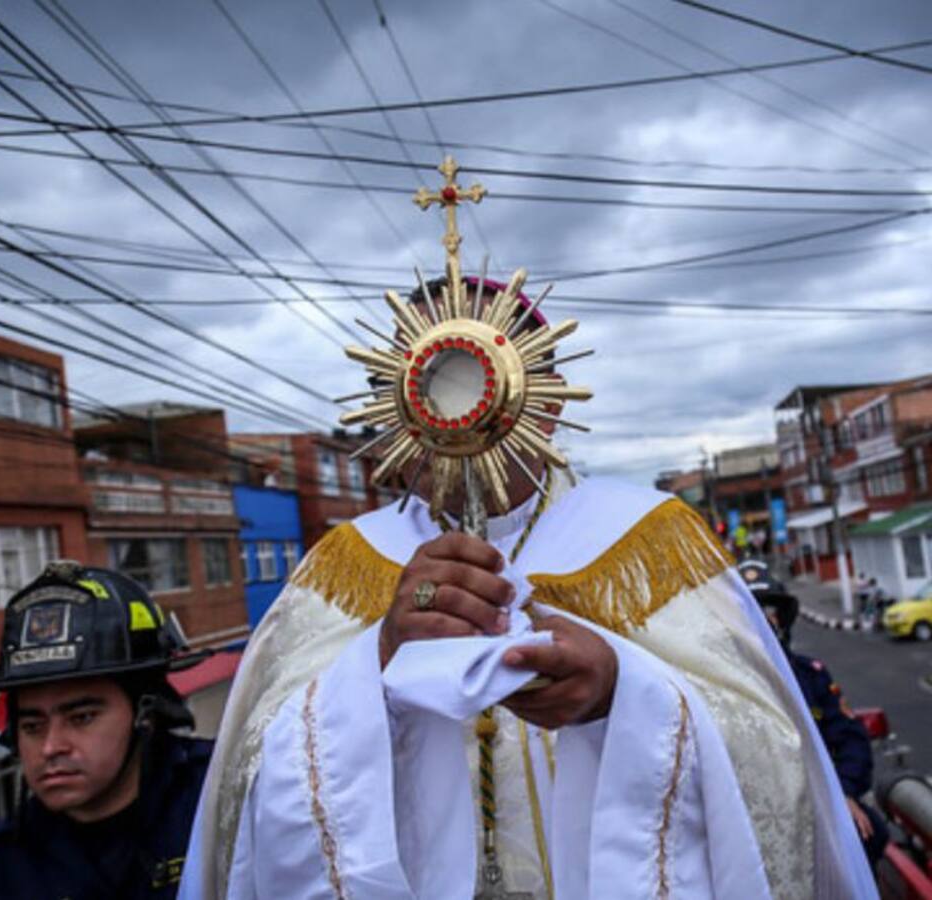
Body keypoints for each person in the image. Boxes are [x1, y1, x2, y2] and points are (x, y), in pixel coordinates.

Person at [180, 278, 876, 900]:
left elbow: (774, 755)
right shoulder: (340, 565)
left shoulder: (647, 538)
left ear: (543, 398)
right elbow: (243, 786)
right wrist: (378, 662)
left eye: (481, 370)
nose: (448, 414)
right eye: (414, 381)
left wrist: (618, 694)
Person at [0, 560, 211, 900]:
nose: (50, 747)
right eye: (32, 726)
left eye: (81, 718)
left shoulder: (223, 802)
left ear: (145, 714)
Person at [738, 560, 890, 868]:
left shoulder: (812, 676)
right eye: (752, 613)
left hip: (824, 804)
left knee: (868, 835)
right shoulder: (724, 687)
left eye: (770, 612)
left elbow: (851, 741)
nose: (764, 623)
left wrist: (842, 794)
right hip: (756, 816)